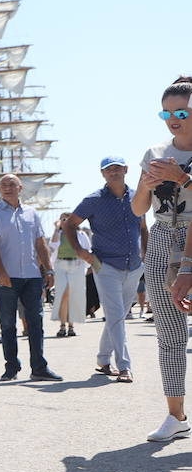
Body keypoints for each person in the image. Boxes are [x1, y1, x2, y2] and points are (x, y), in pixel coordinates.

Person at [141, 77, 192, 442]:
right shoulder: (155, 151)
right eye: (166, 112)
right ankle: (176, 416)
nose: (172, 118)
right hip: (161, 239)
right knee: (169, 335)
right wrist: (144, 186)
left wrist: (181, 177)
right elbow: (138, 209)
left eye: (181, 112)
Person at [67, 155, 146, 384]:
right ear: (102, 174)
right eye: (108, 169)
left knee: (118, 315)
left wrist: (146, 255)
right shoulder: (93, 200)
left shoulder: (138, 196)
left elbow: (143, 226)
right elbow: (70, 224)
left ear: (126, 170)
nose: (113, 172)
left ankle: (103, 359)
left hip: (134, 266)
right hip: (105, 265)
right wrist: (82, 253)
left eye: (117, 168)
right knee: (114, 315)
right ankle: (124, 366)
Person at [0, 174, 61, 382]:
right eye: (3, 185)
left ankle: (39, 367)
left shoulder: (32, 213)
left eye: (11, 184)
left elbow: (40, 243)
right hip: (7, 277)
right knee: (8, 323)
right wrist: (2, 272)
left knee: (36, 321)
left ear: (20, 188)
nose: (7, 188)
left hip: (32, 275)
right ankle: (11, 366)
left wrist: (49, 270)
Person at [49, 211, 90, 337]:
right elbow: (52, 245)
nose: (64, 221)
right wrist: (56, 228)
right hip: (61, 265)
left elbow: (88, 249)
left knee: (71, 296)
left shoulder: (81, 234)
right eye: (62, 219)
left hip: (76, 265)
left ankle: (70, 325)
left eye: (67, 219)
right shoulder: (59, 234)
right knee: (63, 295)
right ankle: (63, 325)